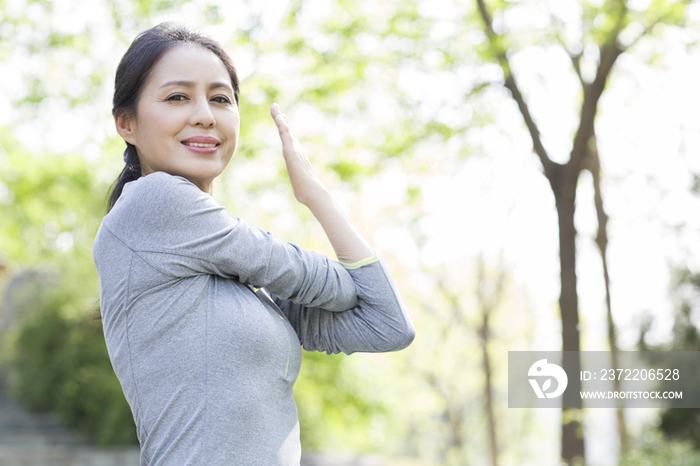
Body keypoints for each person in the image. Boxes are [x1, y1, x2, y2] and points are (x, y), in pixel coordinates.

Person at [93, 23, 415, 466]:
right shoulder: (155, 200)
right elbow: (338, 286)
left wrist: (316, 194)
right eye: (177, 97)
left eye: (221, 98)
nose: (205, 114)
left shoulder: (238, 283)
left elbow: (388, 325)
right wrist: (326, 273)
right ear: (126, 124)